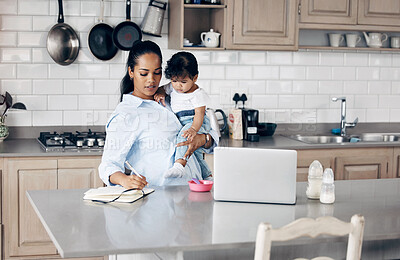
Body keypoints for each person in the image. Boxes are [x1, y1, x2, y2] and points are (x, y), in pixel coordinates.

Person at [98, 40, 218, 189]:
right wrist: (125, 180)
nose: (151, 80)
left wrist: (203, 139)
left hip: (195, 194)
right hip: (159, 203)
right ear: (131, 72)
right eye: (143, 73)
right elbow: (108, 166)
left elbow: (211, 141)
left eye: (157, 72)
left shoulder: (174, 98)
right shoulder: (126, 114)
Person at [154, 51, 212, 180]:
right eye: (174, 81)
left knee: (183, 137)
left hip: (196, 121)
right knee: (195, 153)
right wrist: (161, 93)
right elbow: (162, 89)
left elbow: (199, 114)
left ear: (195, 78)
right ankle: (207, 176)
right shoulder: (173, 87)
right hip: (184, 121)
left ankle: (179, 166)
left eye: (183, 82)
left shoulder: (198, 94)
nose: (178, 86)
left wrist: (193, 129)